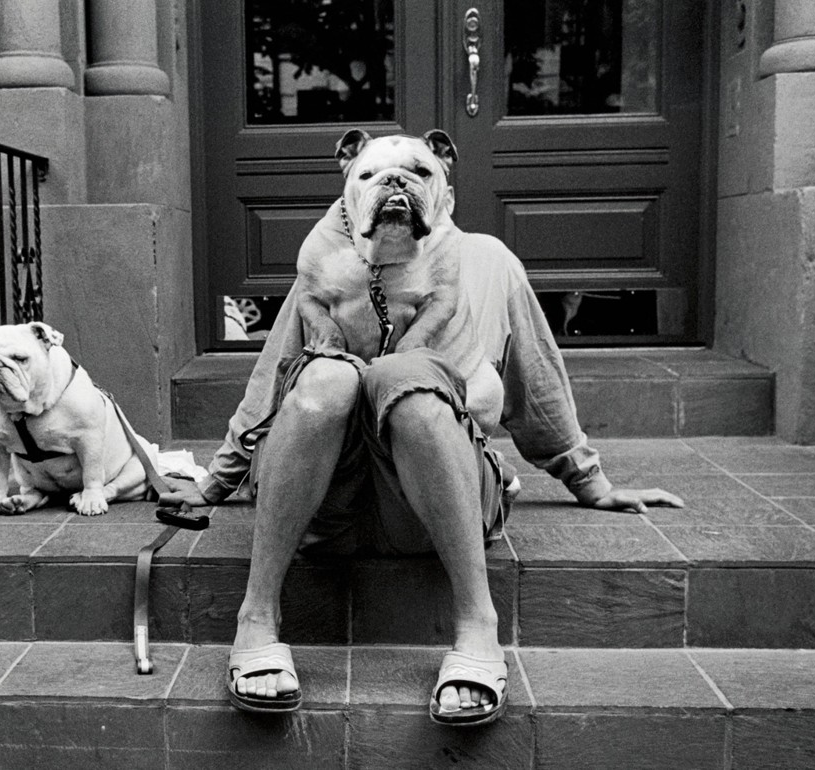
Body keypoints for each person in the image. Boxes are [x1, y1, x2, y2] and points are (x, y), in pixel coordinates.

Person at [162, 131, 683, 725]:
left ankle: (477, 624)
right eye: (374, 176)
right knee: (326, 380)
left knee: (412, 383)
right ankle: (256, 614)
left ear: (448, 195)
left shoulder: (487, 261)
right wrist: (214, 482)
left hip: (432, 501)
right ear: (346, 195)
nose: (395, 186)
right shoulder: (333, 262)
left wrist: (589, 481)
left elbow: (534, 380)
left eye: (416, 172)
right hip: (324, 505)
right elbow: (272, 381)